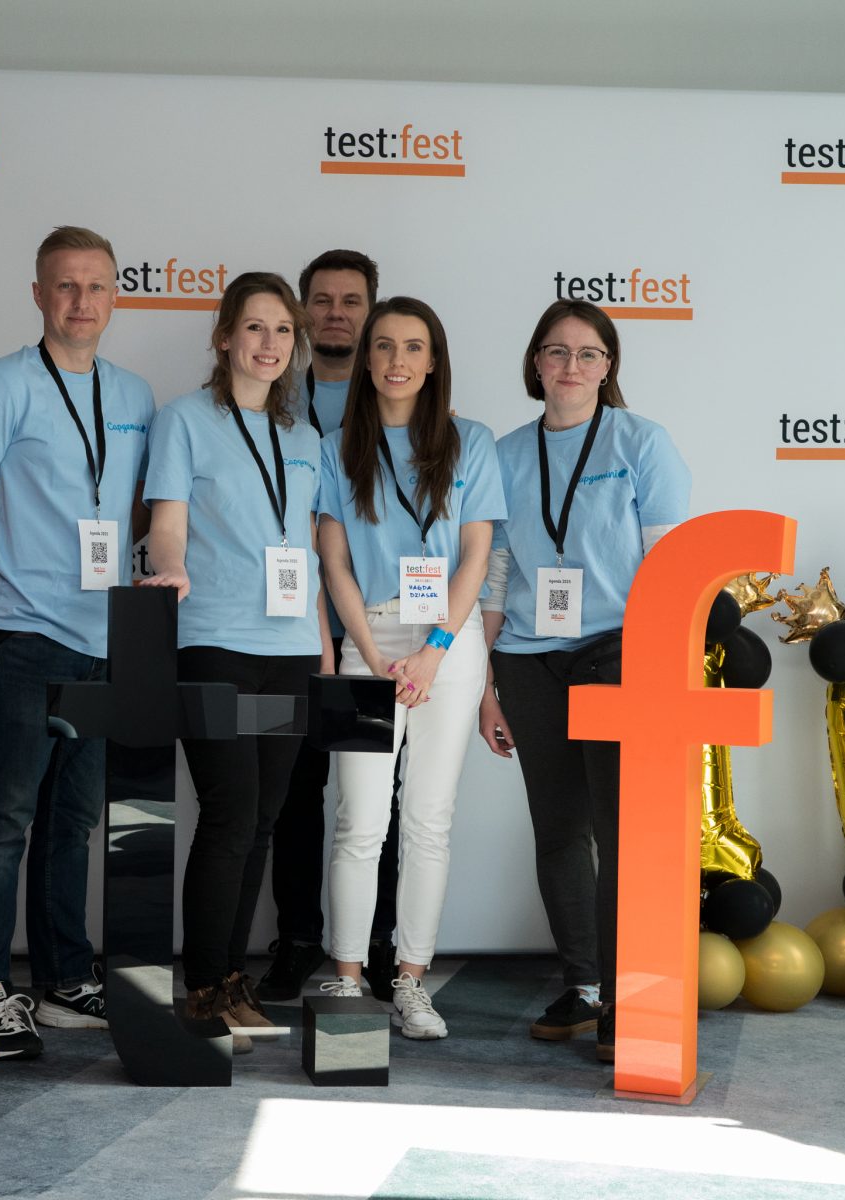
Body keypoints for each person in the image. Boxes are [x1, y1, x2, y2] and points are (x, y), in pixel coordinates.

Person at [0, 226, 154, 1059]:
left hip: (107, 644)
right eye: (65, 285)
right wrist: (8, 588)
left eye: (95, 286)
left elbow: (140, 510)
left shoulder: (134, 395)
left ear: (115, 296)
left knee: (72, 823)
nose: (81, 301)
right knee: (3, 820)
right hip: (25, 642)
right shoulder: (2, 383)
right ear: (37, 294)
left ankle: (63, 979)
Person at [477, 299, 691, 1062]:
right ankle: (585, 988)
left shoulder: (641, 442)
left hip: (616, 653)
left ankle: (628, 999)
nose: (571, 365)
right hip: (528, 660)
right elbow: (494, 574)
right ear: (535, 363)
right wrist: (486, 685)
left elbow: (668, 565)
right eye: (557, 351)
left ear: (608, 367)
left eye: (588, 353)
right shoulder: (503, 453)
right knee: (559, 829)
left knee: (621, 831)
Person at [141, 271, 331, 1050]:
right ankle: (203, 988)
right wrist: (171, 570)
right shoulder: (184, 420)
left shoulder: (307, 438)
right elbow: (168, 523)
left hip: (289, 652)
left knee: (261, 820)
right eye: (254, 327)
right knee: (228, 814)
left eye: (283, 330)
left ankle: (230, 980)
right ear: (224, 337)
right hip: (214, 641)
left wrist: (322, 647)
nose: (269, 343)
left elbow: (310, 549)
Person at [317, 296, 506, 1039]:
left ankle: (411, 981)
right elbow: (334, 562)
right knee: (359, 821)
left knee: (428, 819)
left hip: (448, 646)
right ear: (367, 359)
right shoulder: (336, 446)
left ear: (433, 362)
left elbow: (476, 558)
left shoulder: (471, 442)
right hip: (367, 638)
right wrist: (370, 653)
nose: (398, 361)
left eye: (414, 347)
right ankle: (345, 978)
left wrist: (433, 653)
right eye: (385, 346)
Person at [258, 249, 402, 1005]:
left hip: (376, 633)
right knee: (293, 791)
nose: (336, 314)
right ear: (302, 312)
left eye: (352, 301)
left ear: (372, 313)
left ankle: (375, 942)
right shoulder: (270, 400)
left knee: (377, 800)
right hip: (287, 630)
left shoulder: (401, 403)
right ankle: (298, 938)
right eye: (322, 300)